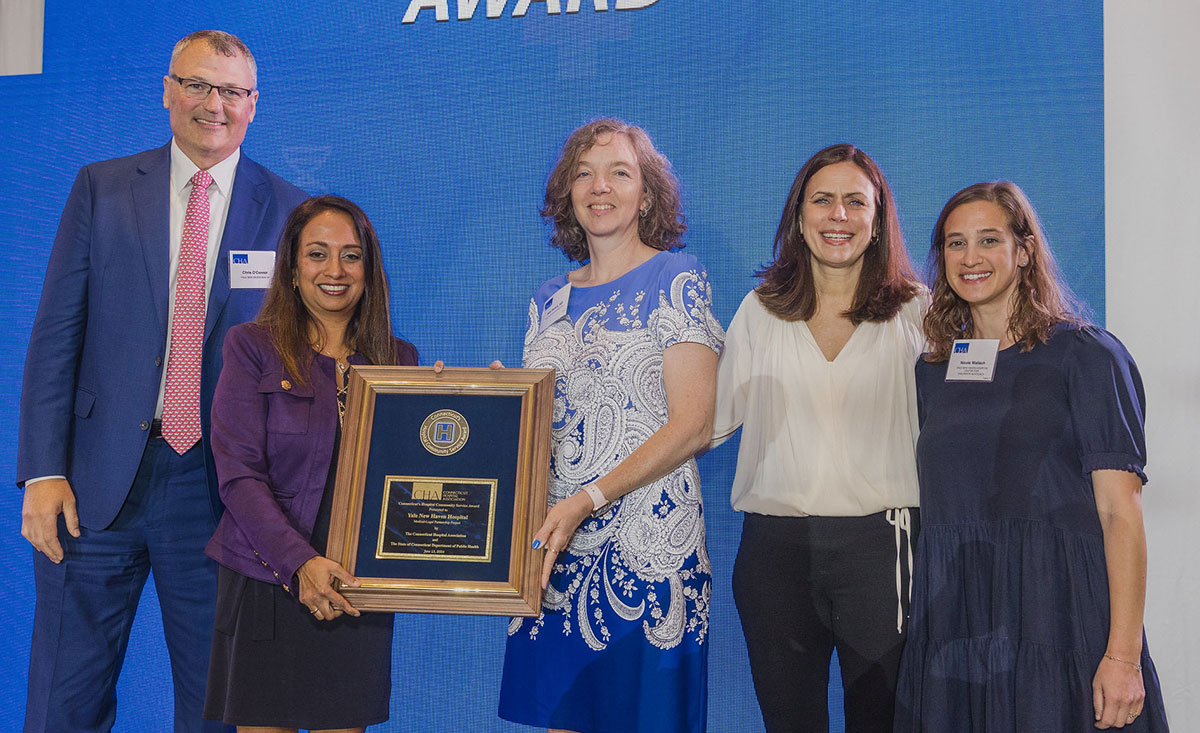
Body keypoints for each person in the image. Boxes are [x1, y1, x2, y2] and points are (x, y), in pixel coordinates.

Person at [16, 30, 306, 732]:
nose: (214, 104)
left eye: (232, 91)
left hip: (220, 491)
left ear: (254, 104)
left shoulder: (293, 213)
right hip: (92, 485)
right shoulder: (102, 188)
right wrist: (43, 472)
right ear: (168, 92)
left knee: (217, 707)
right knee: (63, 702)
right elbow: (55, 337)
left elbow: (303, 360)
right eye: (198, 85)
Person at [893, 181, 1169, 731]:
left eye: (989, 240)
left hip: (1059, 614)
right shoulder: (931, 371)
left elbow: (1121, 514)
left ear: (1023, 251)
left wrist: (1123, 656)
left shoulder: (1088, 356)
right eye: (955, 243)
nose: (970, 258)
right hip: (959, 622)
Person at [497, 118, 723, 733]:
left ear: (646, 195)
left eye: (619, 172)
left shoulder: (676, 276)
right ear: (567, 194)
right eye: (584, 174)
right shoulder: (547, 298)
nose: (600, 187)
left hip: (647, 552)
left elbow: (694, 424)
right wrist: (491, 402)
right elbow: (545, 426)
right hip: (556, 550)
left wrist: (589, 500)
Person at [711, 143, 927, 732]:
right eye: (822, 200)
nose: (838, 215)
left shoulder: (916, 311)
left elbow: (961, 425)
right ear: (798, 215)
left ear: (878, 219)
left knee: (883, 723)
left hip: (883, 549)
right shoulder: (760, 310)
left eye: (855, 202)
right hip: (774, 554)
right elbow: (702, 423)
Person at [202, 195, 415, 731]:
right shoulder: (251, 347)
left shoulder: (400, 360)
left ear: (369, 270)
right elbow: (238, 475)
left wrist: (477, 405)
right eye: (317, 254)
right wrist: (300, 565)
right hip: (265, 576)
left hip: (354, 584)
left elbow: (413, 483)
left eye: (350, 255)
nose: (334, 270)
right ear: (293, 270)